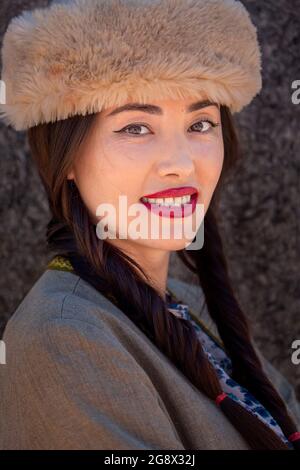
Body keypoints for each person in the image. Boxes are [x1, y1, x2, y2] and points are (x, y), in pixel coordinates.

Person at [0, 0, 299, 450]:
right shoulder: (61, 336)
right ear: (67, 158)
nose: (180, 164)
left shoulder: (191, 304)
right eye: (136, 128)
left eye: (201, 123)